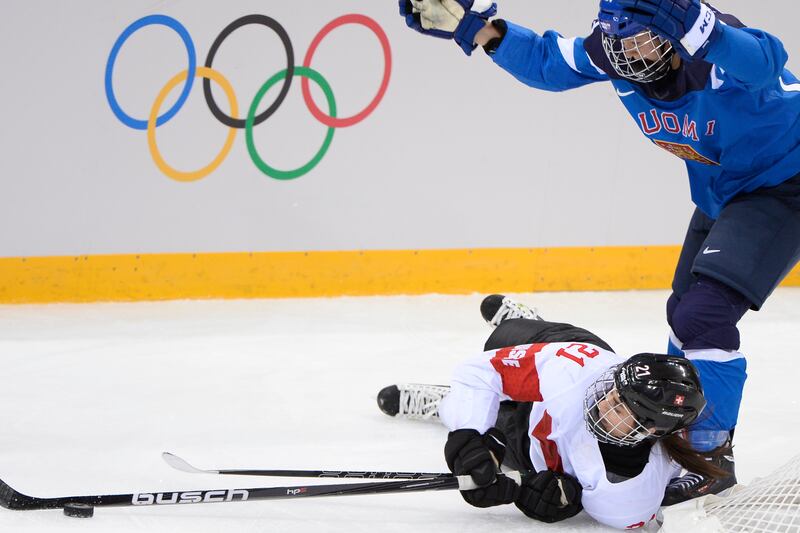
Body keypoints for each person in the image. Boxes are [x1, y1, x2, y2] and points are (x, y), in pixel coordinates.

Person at [398, 0, 800, 503]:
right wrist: (476, 29)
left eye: (643, 42)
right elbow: (549, 62)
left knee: (704, 317)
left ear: (677, 34)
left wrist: (707, 29)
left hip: (786, 186)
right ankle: (681, 442)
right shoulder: (612, 52)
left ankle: (710, 458)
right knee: (683, 316)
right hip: (724, 192)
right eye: (618, 41)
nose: (627, 55)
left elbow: (767, 60)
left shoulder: (714, 56)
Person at [377, 295, 728, 529]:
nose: (605, 399)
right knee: (506, 339)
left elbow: (586, 503)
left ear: (649, 432)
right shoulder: (583, 369)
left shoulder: (629, 496)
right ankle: (528, 323)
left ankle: (442, 403)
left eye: (622, 407)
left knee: (493, 430)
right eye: (615, 390)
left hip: (529, 443)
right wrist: (468, 434)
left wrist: (559, 497)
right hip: (562, 355)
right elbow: (481, 372)